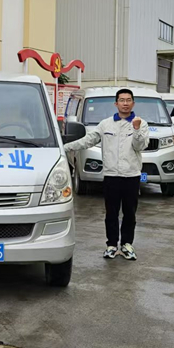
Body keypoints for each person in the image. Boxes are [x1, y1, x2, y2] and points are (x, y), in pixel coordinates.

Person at [65, 88, 149, 260]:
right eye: (122, 100)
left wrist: (136, 129)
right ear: (116, 103)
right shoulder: (106, 124)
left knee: (130, 213)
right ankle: (111, 245)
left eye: (128, 100)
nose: (125, 103)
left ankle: (127, 245)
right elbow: (88, 140)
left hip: (131, 175)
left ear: (133, 103)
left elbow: (140, 146)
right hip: (111, 176)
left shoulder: (141, 124)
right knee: (111, 213)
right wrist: (64, 147)